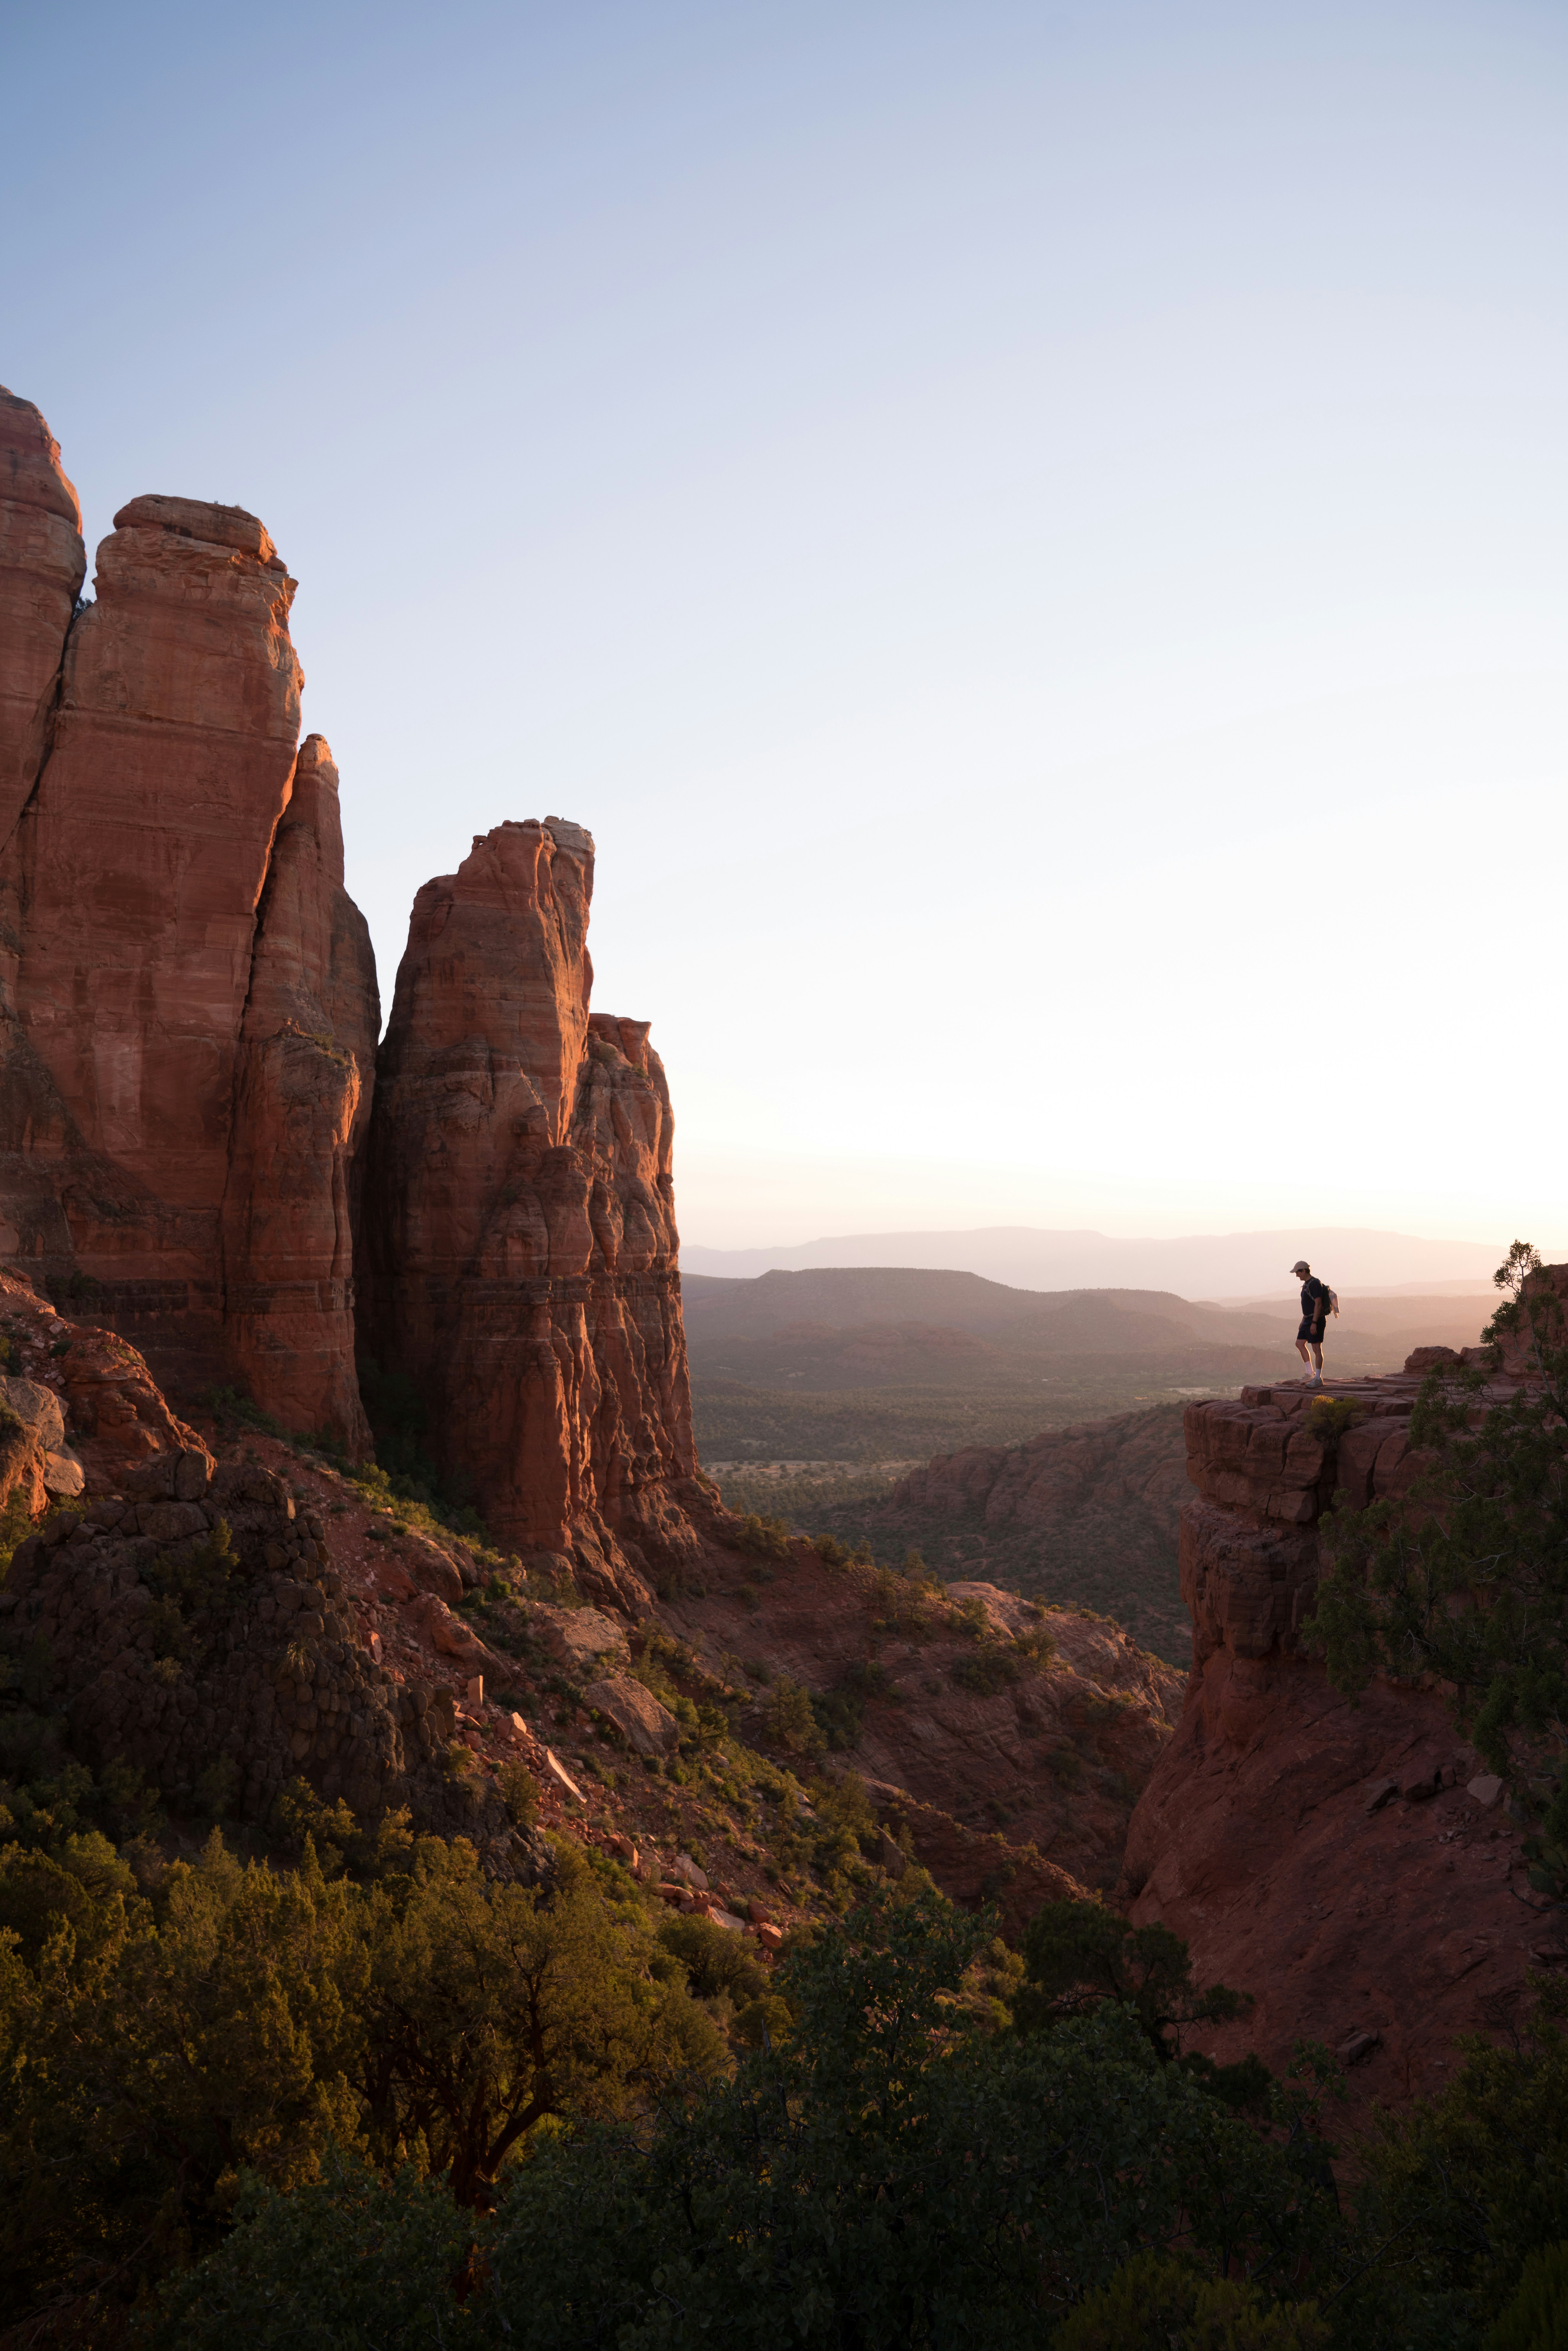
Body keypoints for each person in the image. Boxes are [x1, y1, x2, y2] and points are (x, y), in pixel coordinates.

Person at [1291, 1259, 1338, 1387]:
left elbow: (1318, 1304)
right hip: (1308, 1319)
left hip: (1316, 1320)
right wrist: (1304, 1321)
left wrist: (1314, 1323)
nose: (1297, 1275)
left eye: (1298, 1273)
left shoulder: (1315, 1284)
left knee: (1316, 1349)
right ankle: (1310, 1373)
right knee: (1300, 1344)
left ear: (1304, 1271)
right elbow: (1308, 1305)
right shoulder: (1306, 1284)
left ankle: (1318, 1378)